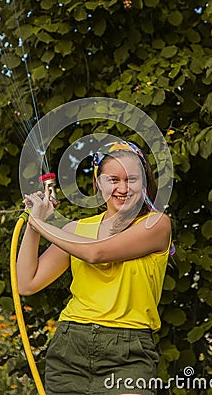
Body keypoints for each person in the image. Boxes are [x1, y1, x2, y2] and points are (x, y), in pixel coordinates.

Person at [17, 140, 172, 395]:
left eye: (132, 179)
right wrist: (35, 226)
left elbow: (96, 252)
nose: (123, 188)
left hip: (128, 352)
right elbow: (27, 282)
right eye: (113, 179)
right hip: (70, 345)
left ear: (144, 184)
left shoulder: (155, 224)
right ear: (98, 183)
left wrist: (39, 223)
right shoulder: (75, 230)